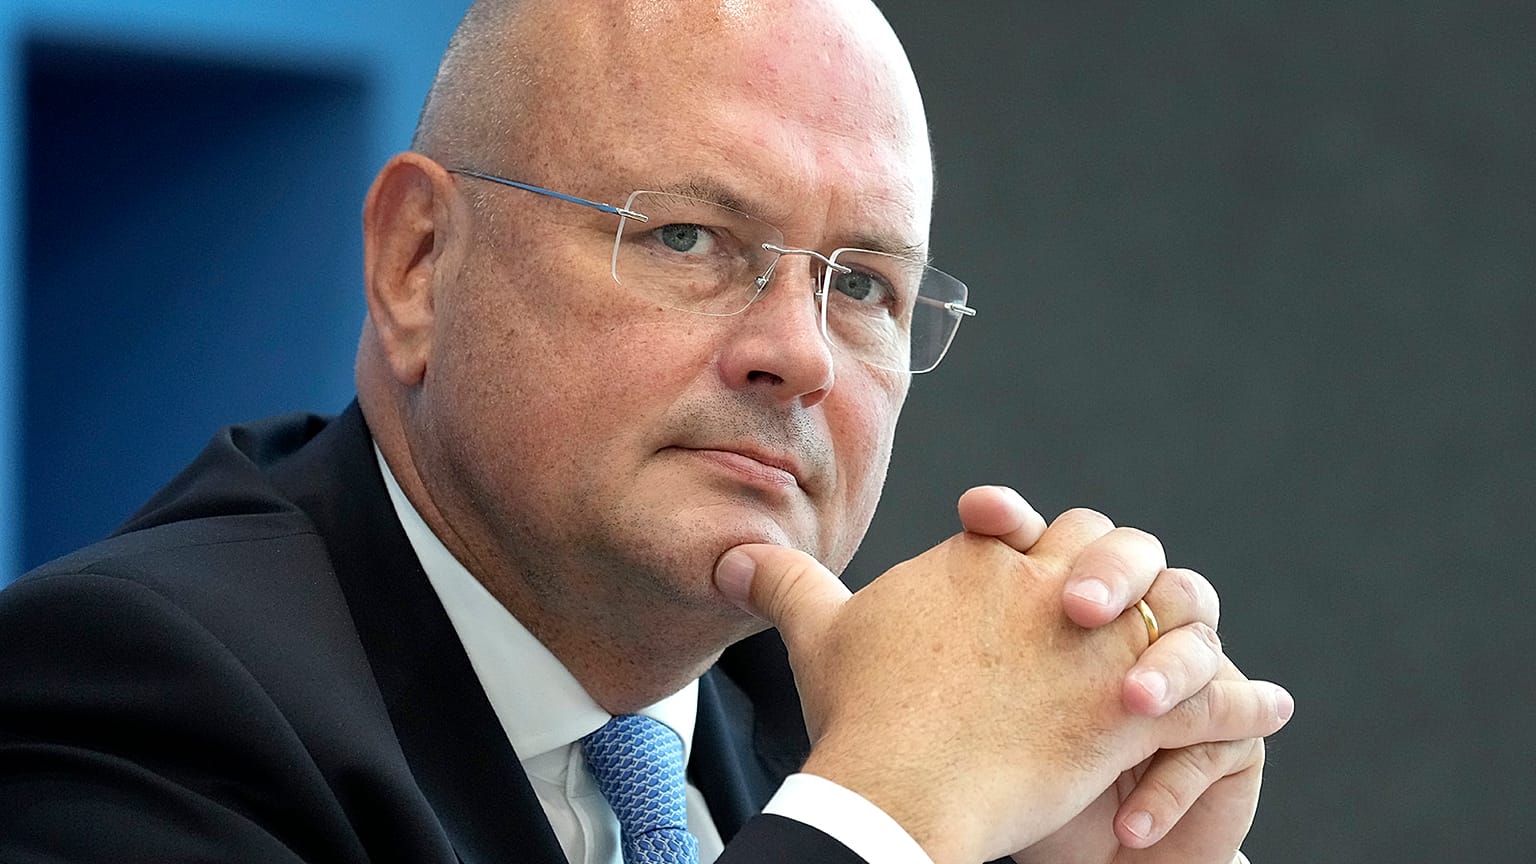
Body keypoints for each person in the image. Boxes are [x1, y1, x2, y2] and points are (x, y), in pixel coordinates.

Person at [0, 0, 1293, 862]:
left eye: (861, 284)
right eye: (686, 237)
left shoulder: (816, 715)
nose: (797, 353)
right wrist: (887, 818)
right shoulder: (128, 696)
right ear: (417, 262)